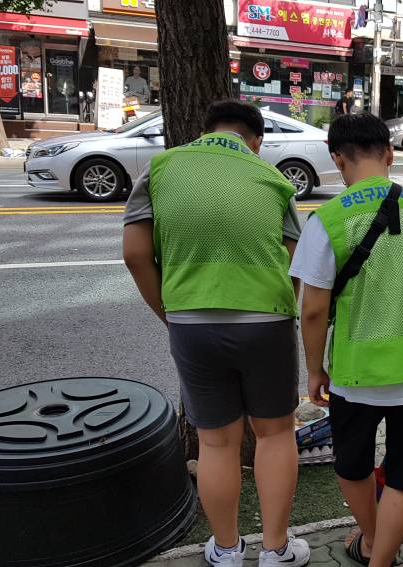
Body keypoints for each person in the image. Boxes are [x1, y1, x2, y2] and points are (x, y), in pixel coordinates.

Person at [122, 100, 310, 567]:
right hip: (266, 321)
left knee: (215, 442)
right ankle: (276, 550)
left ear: (203, 132)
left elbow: (134, 254)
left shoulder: (161, 168)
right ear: (256, 140)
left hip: (191, 320)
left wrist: (170, 312)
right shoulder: (273, 180)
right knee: (274, 434)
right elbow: (295, 261)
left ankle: (226, 550)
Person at [291, 113, 403, 567]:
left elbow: (312, 309)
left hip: (356, 372)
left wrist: (313, 369)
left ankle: (370, 540)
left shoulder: (327, 219)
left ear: (337, 159)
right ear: (389, 154)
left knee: (353, 466)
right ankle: (381, 558)